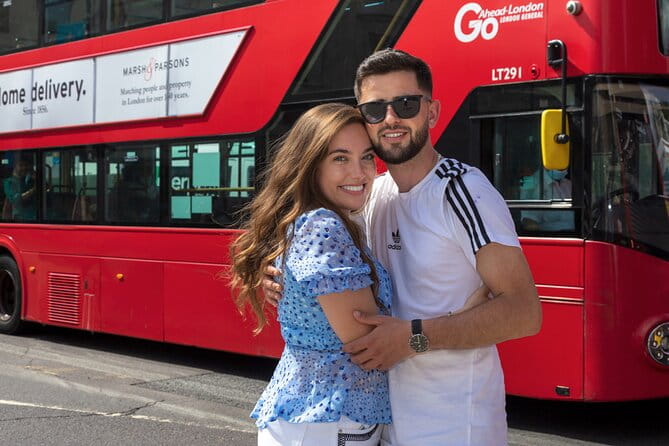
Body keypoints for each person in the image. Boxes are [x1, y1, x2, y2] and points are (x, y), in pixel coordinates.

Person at [263, 49, 542, 445]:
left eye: (406, 104)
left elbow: (524, 312)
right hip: (384, 424)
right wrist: (279, 278)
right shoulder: (371, 193)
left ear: (432, 112)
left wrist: (413, 337)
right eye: (375, 109)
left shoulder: (462, 191)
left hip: (452, 428)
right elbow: (323, 261)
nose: (391, 118)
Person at [230, 103, 392, 446]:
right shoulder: (322, 225)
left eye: (366, 157)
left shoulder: (324, 219)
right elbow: (369, 341)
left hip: (322, 418)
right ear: (311, 164)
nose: (359, 172)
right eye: (340, 158)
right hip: (328, 418)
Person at [3, 157, 37, 221]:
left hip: (35, 215)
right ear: (15, 167)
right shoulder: (9, 182)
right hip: (20, 218)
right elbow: (16, 200)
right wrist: (33, 190)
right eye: (21, 165)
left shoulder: (30, 180)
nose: (24, 168)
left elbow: (46, 188)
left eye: (26, 165)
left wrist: (38, 179)